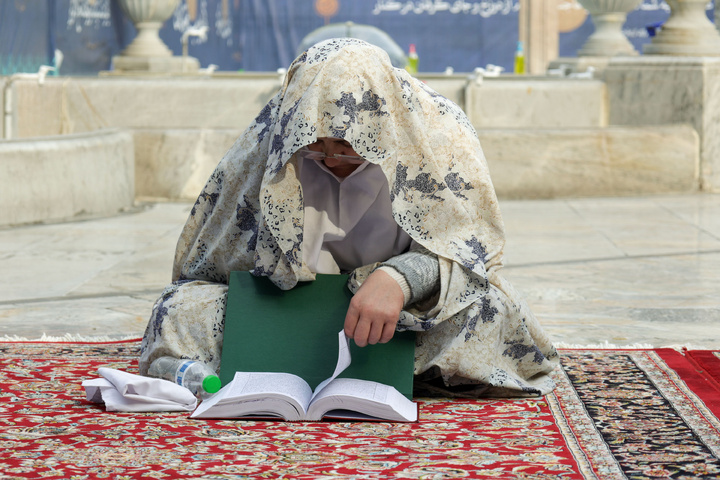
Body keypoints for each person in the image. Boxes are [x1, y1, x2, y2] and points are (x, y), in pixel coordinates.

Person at [139, 38, 558, 396]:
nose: (332, 158)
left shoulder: (439, 132)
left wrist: (399, 279)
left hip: (400, 315)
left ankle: (321, 364)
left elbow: (472, 251)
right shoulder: (276, 136)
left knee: (492, 311)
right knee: (179, 310)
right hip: (292, 306)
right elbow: (212, 263)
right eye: (316, 144)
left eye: (347, 144)